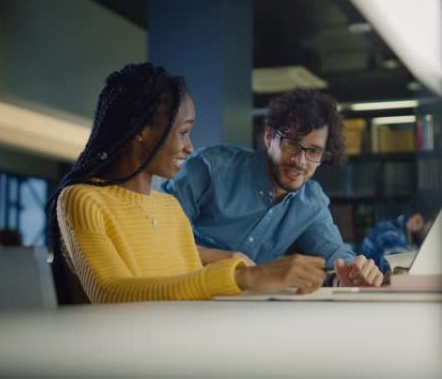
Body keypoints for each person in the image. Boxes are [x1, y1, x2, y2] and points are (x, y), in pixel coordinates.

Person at [46, 63, 327, 303]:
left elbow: (192, 293)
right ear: (142, 129)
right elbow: (111, 293)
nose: (190, 147)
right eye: (183, 133)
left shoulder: (169, 207)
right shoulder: (81, 199)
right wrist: (244, 277)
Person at [163, 89, 383, 287]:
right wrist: (223, 258)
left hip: (246, 312)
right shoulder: (211, 168)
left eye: (314, 152)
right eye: (291, 144)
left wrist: (356, 269)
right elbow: (158, 239)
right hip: (182, 294)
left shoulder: (310, 202)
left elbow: (337, 255)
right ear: (269, 137)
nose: (300, 161)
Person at [357, 212, 433, 274]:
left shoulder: (413, 243)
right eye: (430, 230)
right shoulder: (389, 232)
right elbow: (397, 270)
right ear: (417, 221)